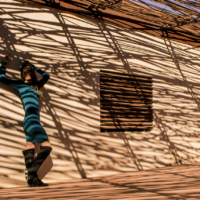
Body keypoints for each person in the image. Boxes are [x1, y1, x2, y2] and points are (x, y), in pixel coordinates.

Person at [0, 54, 52, 187]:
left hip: (31, 121)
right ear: (22, 74)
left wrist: (34, 67)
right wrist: (4, 63)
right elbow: (1, 78)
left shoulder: (37, 85)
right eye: (25, 71)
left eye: (30, 71)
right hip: (31, 120)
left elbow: (46, 75)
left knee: (30, 146)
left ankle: (32, 180)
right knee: (47, 146)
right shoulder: (19, 84)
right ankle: (31, 172)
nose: (28, 72)